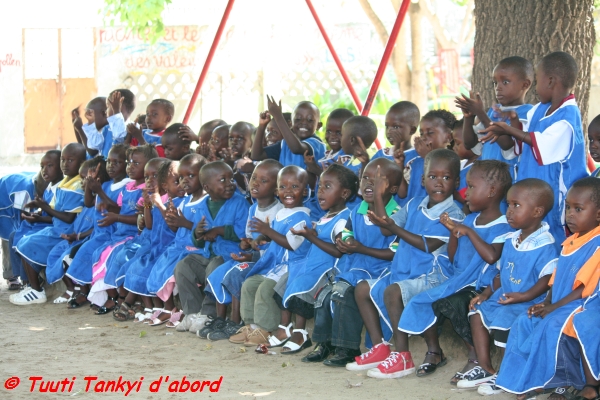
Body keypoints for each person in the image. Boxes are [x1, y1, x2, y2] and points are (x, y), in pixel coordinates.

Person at [349, 149, 465, 379]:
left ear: (457, 181)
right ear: (422, 180)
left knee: (393, 292)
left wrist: (394, 229)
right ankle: (381, 347)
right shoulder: (414, 204)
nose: (439, 183)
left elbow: (427, 245)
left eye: (446, 177)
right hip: (405, 270)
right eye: (432, 177)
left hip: (432, 275)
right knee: (363, 288)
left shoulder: (453, 212)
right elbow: (385, 226)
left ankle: (403, 356)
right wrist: (380, 197)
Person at [398, 160, 513, 385]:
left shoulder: (503, 226)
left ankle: (476, 358)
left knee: (455, 302)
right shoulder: (469, 219)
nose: (465, 192)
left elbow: (491, 256)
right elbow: (454, 257)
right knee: (423, 300)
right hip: (460, 278)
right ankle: (434, 351)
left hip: (484, 286)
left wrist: (468, 232)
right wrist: (454, 233)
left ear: (491, 191)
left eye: (471, 187)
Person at [495, 177, 600, 400]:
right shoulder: (570, 242)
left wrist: (553, 308)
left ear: (598, 214)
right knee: (525, 320)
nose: (570, 214)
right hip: (564, 303)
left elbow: (583, 289)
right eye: (568, 207)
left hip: (585, 304)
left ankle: (580, 385)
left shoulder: (596, 243)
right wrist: (546, 302)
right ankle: (527, 379)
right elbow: (555, 279)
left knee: (554, 324)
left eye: (578, 209)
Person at [456, 179, 558, 394]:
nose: (509, 211)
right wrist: (485, 294)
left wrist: (523, 296)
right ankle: (485, 368)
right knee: (477, 312)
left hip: (530, 301)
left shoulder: (545, 243)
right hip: (506, 297)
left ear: (538, 211)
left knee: (504, 321)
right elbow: (503, 274)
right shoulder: (512, 239)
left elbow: (547, 280)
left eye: (516, 205)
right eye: (508, 204)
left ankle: (506, 374)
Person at [479, 51, 588, 243]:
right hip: (532, 188)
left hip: (554, 195)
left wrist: (510, 130)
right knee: (530, 231)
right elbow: (523, 139)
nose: (535, 88)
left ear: (551, 81)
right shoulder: (540, 108)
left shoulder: (568, 118)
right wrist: (513, 122)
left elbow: (541, 144)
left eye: (537, 81)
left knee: (551, 236)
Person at [305, 158, 399, 366]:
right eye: (365, 177)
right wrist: (345, 241)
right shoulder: (358, 210)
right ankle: (325, 342)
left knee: (343, 292)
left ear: (392, 188)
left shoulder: (396, 213)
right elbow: (347, 232)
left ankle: (348, 347)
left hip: (380, 271)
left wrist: (361, 248)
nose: (369, 184)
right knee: (326, 293)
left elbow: (394, 251)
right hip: (356, 267)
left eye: (377, 181)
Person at [273, 164, 358, 354]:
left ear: (344, 193)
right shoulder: (327, 216)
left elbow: (338, 251)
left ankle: (301, 332)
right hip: (312, 266)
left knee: (301, 285)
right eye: (320, 187)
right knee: (285, 281)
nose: (320, 192)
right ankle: (285, 327)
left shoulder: (344, 219)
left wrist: (311, 236)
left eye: (328, 187)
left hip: (327, 271)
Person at [223, 166, 311, 347]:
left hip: (292, 266)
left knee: (265, 288)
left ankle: (266, 327)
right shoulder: (281, 213)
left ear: (305, 191)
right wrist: (264, 237)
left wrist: (266, 230)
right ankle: (251, 324)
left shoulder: (302, 216)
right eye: (283, 187)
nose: (288, 191)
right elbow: (276, 237)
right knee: (249, 284)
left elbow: (291, 244)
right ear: (277, 190)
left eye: (294, 187)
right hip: (276, 263)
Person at [201, 159, 283, 338]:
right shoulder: (253, 209)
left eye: (264, 181)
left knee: (237, 275)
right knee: (220, 273)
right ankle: (220, 319)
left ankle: (236, 322)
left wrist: (261, 239)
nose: (255, 183)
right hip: (255, 257)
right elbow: (248, 239)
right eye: (254, 178)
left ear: (277, 188)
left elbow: (276, 245)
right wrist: (246, 245)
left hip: (271, 262)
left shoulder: (279, 211)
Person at [166, 161, 249, 324]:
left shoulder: (240, 203)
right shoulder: (203, 206)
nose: (229, 184)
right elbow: (199, 239)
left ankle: (208, 315)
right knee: (184, 266)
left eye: (231, 179)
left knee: (214, 267)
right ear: (207, 186)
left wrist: (219, 230)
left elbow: (244, 233)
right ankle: (192, 314)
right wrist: (197, 234)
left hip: (230, 255)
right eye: (222, 180)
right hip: (207, 253)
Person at [114, 158, 192, 323]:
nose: (182, 185)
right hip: (157, 245)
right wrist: (148, 206)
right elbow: (149, 225)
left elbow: (173, 227)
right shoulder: (162, 201)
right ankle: (156, 307)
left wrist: (158, 203)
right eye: (177, 181)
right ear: (166, 185)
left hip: (169, 245)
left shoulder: (180, 202)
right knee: (138, 266)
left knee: (154, 268)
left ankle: (168, 308)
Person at [11, 143, 87, 305]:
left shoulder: (77, 186)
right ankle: (31, 287)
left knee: (28, 243)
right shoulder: (66, 182)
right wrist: (39, 214)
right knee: (23, 240)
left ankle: (37, 290)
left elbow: (68, 218)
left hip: (65, 233)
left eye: (70, 160)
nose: (65, 164)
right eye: (63, 160)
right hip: (56, 228)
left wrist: (44, 208)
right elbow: (55, 211)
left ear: (81, 163)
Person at [87, 145, 156, 311]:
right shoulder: (128, 188)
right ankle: (112, 296)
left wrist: (116, 216)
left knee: (115, 256)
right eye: (130, 162)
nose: (131, 166)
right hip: (121, 233)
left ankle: (122, 299)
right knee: (100, 253)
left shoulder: (147, 192)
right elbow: (118, 208)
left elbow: (145, 222)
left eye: (136, 163)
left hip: (134, 236)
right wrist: (104, 201)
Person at [63, 145, 131, 308]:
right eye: (109, 161)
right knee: (79, 253)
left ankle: (109, 296)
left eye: (117, 162)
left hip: (111, 234)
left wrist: (98, 191)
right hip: (98, 234)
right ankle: (86, 292)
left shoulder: (125, 186)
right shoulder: (106, 185)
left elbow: (117, 209)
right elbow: (87, 203)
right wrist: (89, 186)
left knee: (95, 254)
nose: (111, 165)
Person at [455, 56, 534, 182]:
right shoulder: (493, 112)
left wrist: (481, 114)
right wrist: (469, 118)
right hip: (486, 182)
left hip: (508, 182)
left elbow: (508, 145)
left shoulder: (527, 114)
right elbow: (470, 144)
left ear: (525, 85)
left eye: (505, 82)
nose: (498, 87)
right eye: (495, 83)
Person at [45, 157, 108, 303]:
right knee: (55, 254)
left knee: (70, 255)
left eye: (84, 179)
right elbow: (87, 203)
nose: (81, 182)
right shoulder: (90, 198)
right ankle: (73, 289)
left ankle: (80, 290)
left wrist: (78, 236)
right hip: (78, 237)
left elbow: (96, 228)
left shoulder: (102, 196)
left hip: (90, 238)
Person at [9, 150, 63, 283]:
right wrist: (36, 214)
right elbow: (45, 210)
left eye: (50, 166)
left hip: (53, 227)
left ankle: (30, 282)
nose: (45, 170)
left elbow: (61, 217)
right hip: (42, 223)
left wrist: (39, 217)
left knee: (26, 239)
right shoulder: (49, 187)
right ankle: (23, 278)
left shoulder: (61, 189)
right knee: (13, 236)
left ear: (61, 166)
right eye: (42, 166)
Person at [251, 96, 326, 186]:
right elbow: (256, 155)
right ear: (291, 123)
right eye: (298, 119)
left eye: (310, 120)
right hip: (285, 195)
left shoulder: (316, 143)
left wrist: (278, 116)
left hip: (309, 198)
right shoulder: (284, 144)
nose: (303, 123)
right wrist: (262, 126)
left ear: (318, 125)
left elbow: (296, 148)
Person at [396, 110, 456, 206]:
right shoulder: (411, 157)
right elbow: (402, 192)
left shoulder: (453, 161)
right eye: (421, 133)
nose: (424, 138)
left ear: (448, 137)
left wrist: (428, 156)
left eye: (430, 133)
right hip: (407, 210)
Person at [304, 108, 354, 173]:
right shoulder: (328, 155)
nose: (332, 136)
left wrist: (315, 169)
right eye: (329, 132)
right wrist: (311, 165)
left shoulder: (345, 158)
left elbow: (334, 180)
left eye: (339, 133)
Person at [452, 119, 480, 205]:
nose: (453, 147)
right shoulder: (462, 164)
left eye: (457, 143)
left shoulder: (478, 168)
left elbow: (470, 200)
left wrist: (452, 192)